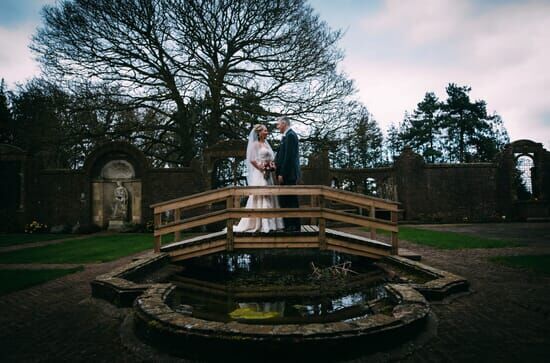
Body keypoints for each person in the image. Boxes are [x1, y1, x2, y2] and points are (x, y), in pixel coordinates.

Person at [233, 124, 284, 233]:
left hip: (268, 174)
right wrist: (261, 167)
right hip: (260, 174)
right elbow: (252, 159)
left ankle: (272, 224)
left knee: (270, 195)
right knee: (261, 196)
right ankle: (261, 224)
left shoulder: (266, 144)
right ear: (259, 133)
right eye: (265, 131)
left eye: (267, 130)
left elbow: (271, 159)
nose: (267, 132)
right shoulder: (255, 144)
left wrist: (272, 166)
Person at [274, 116, 301, 232]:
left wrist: (282, 174)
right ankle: (289, 225)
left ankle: (293, 226)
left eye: (278, 124)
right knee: (286, 200)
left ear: (284, 123)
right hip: (286, 174)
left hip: (288, 174)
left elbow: (288, 158)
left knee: (290, 200)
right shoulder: (287, 136)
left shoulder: (290, 135)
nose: (277, 126)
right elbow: (281, 155)